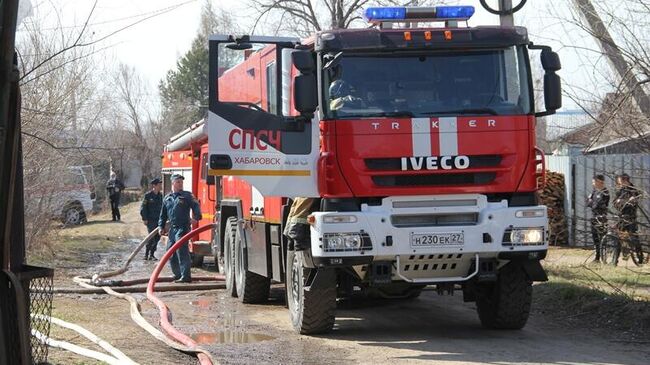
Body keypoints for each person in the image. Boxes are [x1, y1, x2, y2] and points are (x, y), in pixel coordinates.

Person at [158, 174, 201, 283]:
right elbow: (162, 215)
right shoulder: (167, 198)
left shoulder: (187, 196)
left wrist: (196, 217)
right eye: (178, 182)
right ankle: (177, 275)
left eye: (181, 182)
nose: (180, 184)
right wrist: (161, 226)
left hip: (183, 227)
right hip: (172, 229)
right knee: (170, 252)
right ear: (173, 183)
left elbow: (196, 206)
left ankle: (185, 276)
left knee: (182, 251)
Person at [613, 173, 643, 263]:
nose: (620, 183)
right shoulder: (620, 191)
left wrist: (631, 200)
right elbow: (614, 202)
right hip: (621, 216)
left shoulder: (633, 190)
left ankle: (640, 257)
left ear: (626, 180)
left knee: (634, 237)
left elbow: (636, 199)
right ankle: (615, 259)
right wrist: (618, 202)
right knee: (618, 237)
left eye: (621, 181)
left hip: (631, 216)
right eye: (619, 182)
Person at [586, 174, 610, 262]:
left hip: (601, 218)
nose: (593, 184)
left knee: (602, 238)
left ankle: (604, 258)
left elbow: (599, 205)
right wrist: (592, 203)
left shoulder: (605, 192)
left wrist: (593, 203)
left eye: (594, 182)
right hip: (593, 217)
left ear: (599, 181)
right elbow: (588, 203)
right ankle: (596, 258)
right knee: (595, 238)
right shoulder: (594, 192)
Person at [140, 178, 163, 261]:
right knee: (151, 237)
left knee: (157, 238)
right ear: (154, 185)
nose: (161, 186)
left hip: (159, 220)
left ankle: (152, 254)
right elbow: (143, 208)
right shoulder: (148, 196)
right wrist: (144, 218)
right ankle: (146, 254)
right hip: (150, 220)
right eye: (159, 185)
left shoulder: (161, 196)